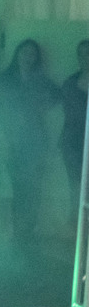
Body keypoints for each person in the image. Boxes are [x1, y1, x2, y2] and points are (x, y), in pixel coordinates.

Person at [0, 39, 58, 239]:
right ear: (17, 54)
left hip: (36, 137)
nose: (28, 57)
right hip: (12, 137)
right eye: (25, 52)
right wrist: (3, 137)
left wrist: (41, 107)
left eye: (32, 54)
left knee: (34, 184)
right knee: (17, 183)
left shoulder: (41, 80)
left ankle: (30, 227)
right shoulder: (5, 79)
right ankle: (17, 226)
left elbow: (57, 95)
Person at [60, 39, 89, 221]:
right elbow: (69, 114)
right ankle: (77, 225)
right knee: (76, 187)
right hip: (72, 144)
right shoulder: (70, 83)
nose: (86, 57)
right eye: (82, 53)